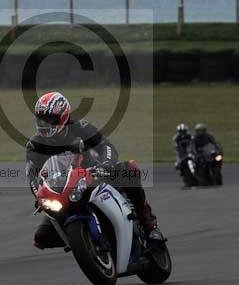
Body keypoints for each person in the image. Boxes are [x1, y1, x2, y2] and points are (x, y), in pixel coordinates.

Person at [26, 91, 164, 249]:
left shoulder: (80, 127)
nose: (45, 124)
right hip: (63, 190)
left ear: (62, 116)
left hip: (94, 176)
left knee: (129, 169)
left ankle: (150, 226)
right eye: (41, 119)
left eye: (49, 119)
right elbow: (32, 175)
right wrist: (39, 194)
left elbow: (106, 146)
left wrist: (106, 164)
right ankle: (83, 241)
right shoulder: (34, 145)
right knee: (41, 238)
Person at [172, 123, 193, 187]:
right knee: (178, 164)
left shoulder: (190, 136)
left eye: (184, 131)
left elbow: (193, 143)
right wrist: (179, 155)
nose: (182, 133)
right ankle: (184, 177)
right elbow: (176, 147)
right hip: (181, 154)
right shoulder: (176, 138)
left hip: (190, 152)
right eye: (181, 131)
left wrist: (192, 151)